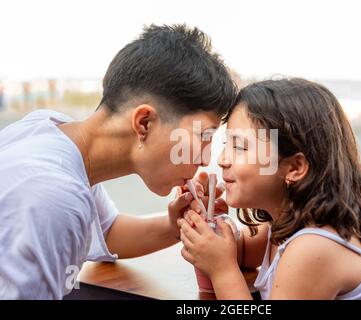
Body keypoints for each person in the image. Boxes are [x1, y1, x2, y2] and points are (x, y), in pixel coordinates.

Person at [0, 24, 237, 299]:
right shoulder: (54, 193)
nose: (206, 158)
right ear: (144, 122)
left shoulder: (51, 131)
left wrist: (176, 226)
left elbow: (108, 232)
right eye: (202, 136)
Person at [178, 78, 361, 300]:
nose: (223, 159)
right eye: (227, 144)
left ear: (294, 167)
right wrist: (210, 222)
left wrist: (222, 271)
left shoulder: (313, 247)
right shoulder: (280, 231)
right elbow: (237, 253)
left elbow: (225, 264)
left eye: (240, 146)